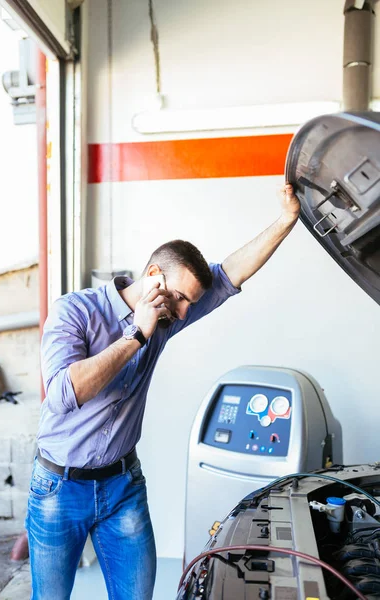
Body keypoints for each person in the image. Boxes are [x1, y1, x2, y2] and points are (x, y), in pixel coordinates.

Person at [26, 184, 300, 600]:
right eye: (179, 298)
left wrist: (285, 221)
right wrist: (136, 334)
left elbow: (230, 273)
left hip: (123, 488)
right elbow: (64, 394)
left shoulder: (170, 315)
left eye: (191, 302)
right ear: (154, 276)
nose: (185, 311)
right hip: (58, 489)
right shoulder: (75, 311)